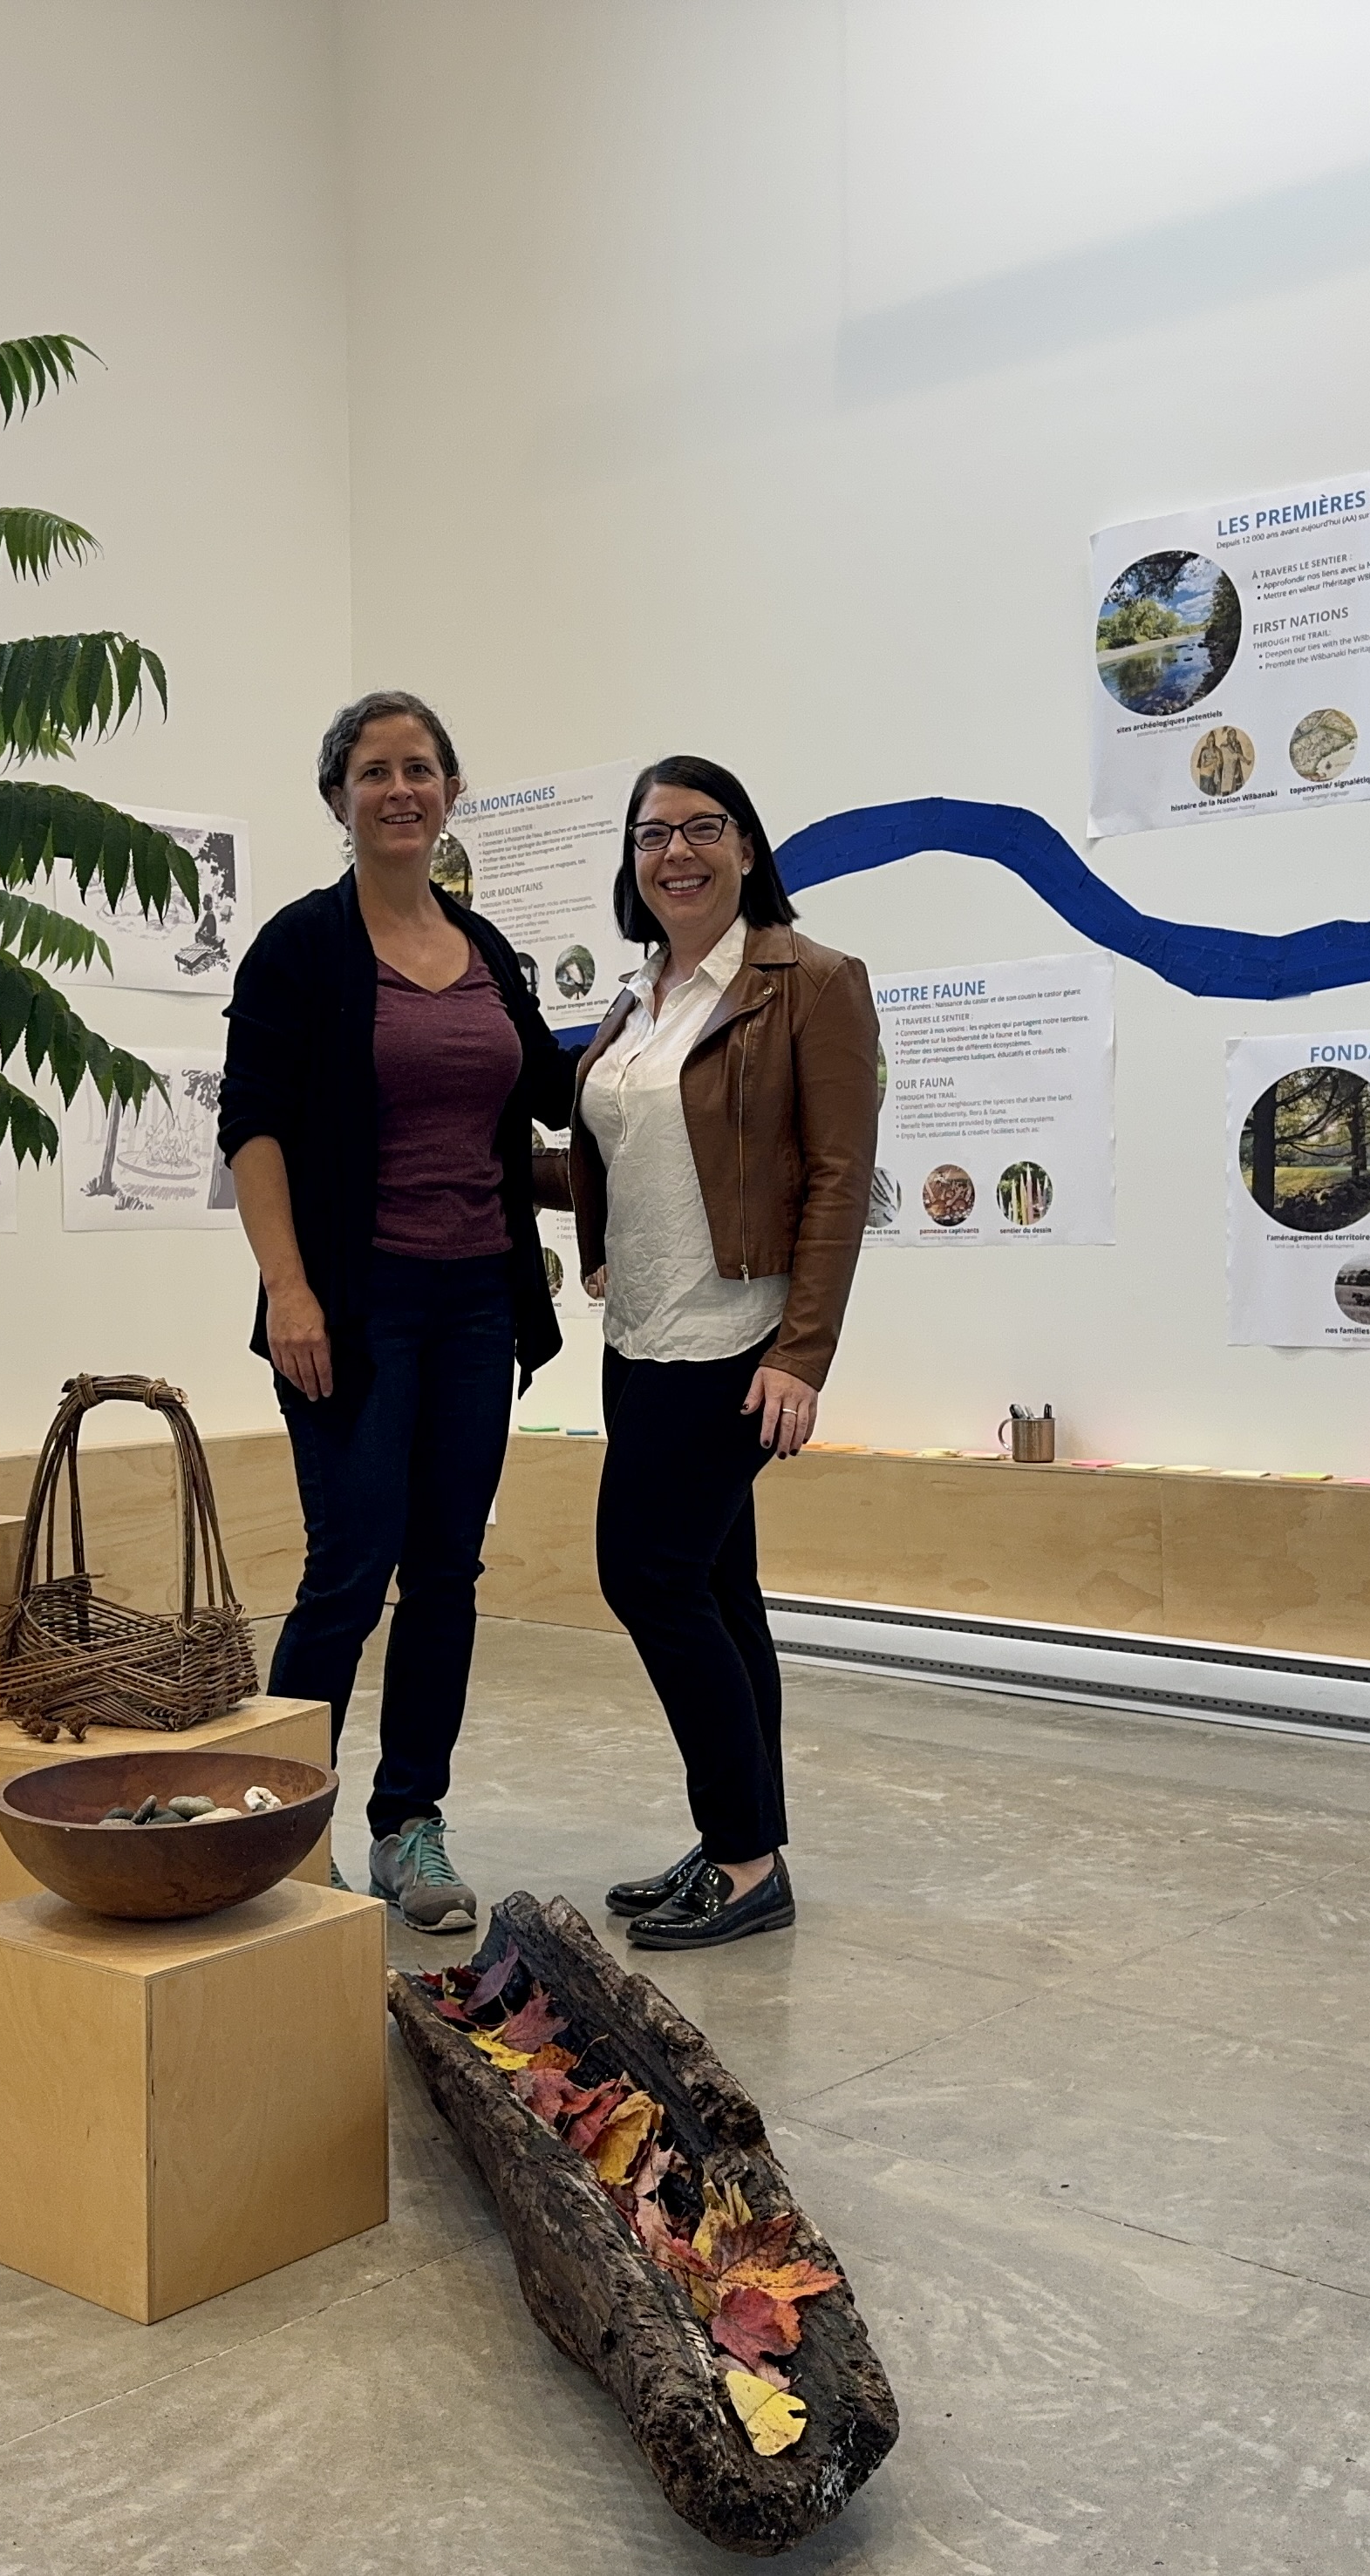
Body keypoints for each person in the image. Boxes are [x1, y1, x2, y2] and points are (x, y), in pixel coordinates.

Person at [218, 690, 570, 1935]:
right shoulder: (301, 946)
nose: (401, 790)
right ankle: (283, 1820)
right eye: (375, 771)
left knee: (448, 1574)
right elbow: (252, 1126)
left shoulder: (485, 949)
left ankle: (409, 1822)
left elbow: (551, 1091)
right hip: (353, 1309)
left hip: (477, 1304)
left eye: (421, 768)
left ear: (452, 793)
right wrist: (289, 1287)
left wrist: (668, 1017)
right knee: (348, 1570)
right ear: (339, 798)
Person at [572, 755, 879, 1950]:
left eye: (704, 828)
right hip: (640, 1335)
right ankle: (742, 1842)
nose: (677, 853)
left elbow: (840, 1178)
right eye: (652, 834)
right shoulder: (639, 996)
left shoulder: (815, 982)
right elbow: (624, 1152)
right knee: (715, 1589)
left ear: (747, 847)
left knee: (646, 1576)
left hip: (736, 1341)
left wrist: (803, 1354)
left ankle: (745, 1860)